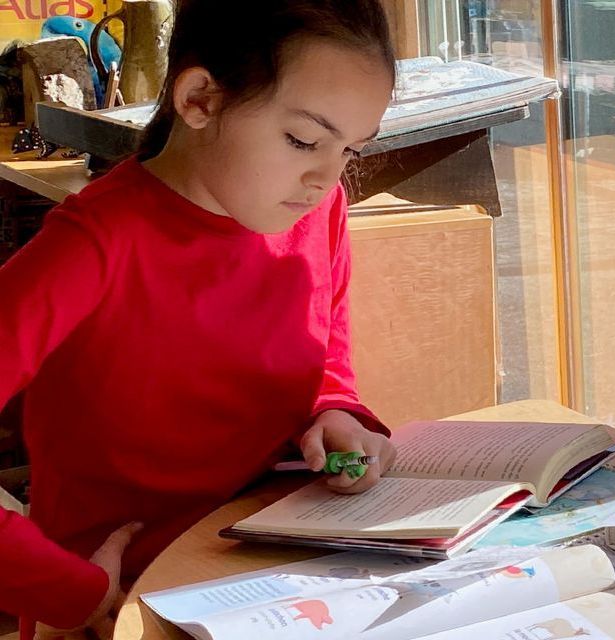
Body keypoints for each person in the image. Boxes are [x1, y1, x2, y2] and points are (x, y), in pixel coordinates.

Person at [0, 0, 397, 637]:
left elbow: (327, 357)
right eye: (303, 140)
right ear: (201, 99)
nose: (326, 175)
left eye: (349, 149)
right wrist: (62, 587)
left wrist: (335, 412)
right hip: (120, 610)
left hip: (275, 577)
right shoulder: (95, 244)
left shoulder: (316, 210)